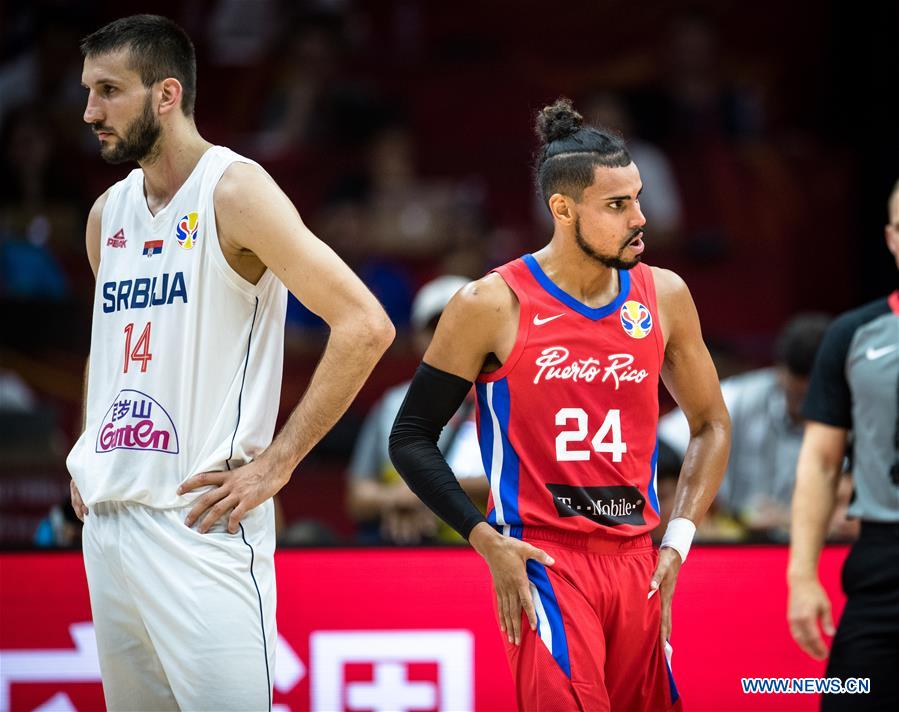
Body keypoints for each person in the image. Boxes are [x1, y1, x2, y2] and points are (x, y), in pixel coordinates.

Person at [66, 15, 393, 711]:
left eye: (107, 90)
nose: (89, 111)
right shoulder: (106, 214)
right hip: (110, 522)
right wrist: (87, 445)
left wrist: (278, 462)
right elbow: (113, 348)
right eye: (88, 91)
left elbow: (365, 324)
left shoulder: (235, 191)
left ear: (166, 94)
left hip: (200, 521)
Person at [390, 98, 731, 711]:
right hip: (544, 562)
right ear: (563, 209)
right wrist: (483, 538)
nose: (640, 218)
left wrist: (677, 542)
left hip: (638, 559)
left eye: (638, 198)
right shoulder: (490, 303)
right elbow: (410, 436)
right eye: (618, 205)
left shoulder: (666, 295)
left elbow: (710, 425)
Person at [787, 179, 899, 710]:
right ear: (891, 238)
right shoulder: (854, 335)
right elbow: (820, 460)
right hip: (884, 562)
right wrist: (801, 575)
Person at [660, 313, 831, 538]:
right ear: (780, 370)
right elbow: (663, 441)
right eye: (798, 395)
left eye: (816, 394)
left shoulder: (859, 408)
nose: (806, 404)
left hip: (823, 539)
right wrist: (705, 508)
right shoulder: (741, 396)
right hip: (738, 538)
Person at [347, 275, 489, 544]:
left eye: (460, 326)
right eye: (434, 328)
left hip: (481, 552)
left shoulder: (503, 398)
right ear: (417, 338)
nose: (447, 337)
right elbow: (358, 497)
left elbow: (525, 489)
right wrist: (395, 498)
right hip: (406, 549)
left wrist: (425, 491)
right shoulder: (391, 404)